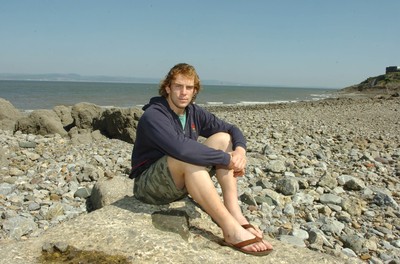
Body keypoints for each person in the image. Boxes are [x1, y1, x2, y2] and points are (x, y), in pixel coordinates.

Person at [130, 63, 273, 256]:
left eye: (189, 88)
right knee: (187, 157)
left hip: (180, 184)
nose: (183, 93)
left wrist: (239, 152)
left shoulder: (193, 112)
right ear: (167, 88)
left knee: (224, 138)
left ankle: (235, 213)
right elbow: (181, 148)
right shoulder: (154, 115)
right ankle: (230, 229)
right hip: (148, 187)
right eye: (178, 86)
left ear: (194, 90)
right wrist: (226, 159)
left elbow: (232, 129)